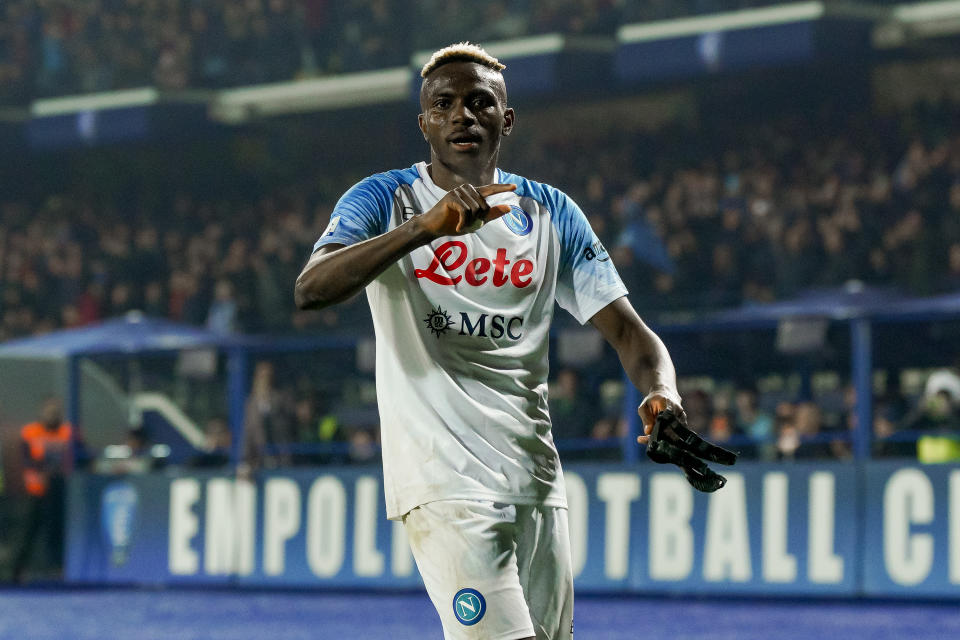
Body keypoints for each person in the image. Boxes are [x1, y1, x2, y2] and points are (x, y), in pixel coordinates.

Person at [295, 43, 688, 640]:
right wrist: (422, 229)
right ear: (424, 121)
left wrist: (663, 392)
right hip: (442, 476)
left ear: (506, 120)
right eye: (444, 104)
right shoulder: (383, 198)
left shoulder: (551, 212)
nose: (463, 116)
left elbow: (630, 332)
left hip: (534, 478)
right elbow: (311, 288)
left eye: (481, 103)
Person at [12, 397, 77, 582]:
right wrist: (41, 470)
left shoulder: (67, 432)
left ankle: (58, 570)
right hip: (36, 491)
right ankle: (17, 571)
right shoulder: (31, 432)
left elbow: (77, 455)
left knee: (56, 531)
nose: (52, 415)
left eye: (55, 411)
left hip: (58, 491)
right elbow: (26, 459)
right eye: (49, 411)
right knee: (28, 531)